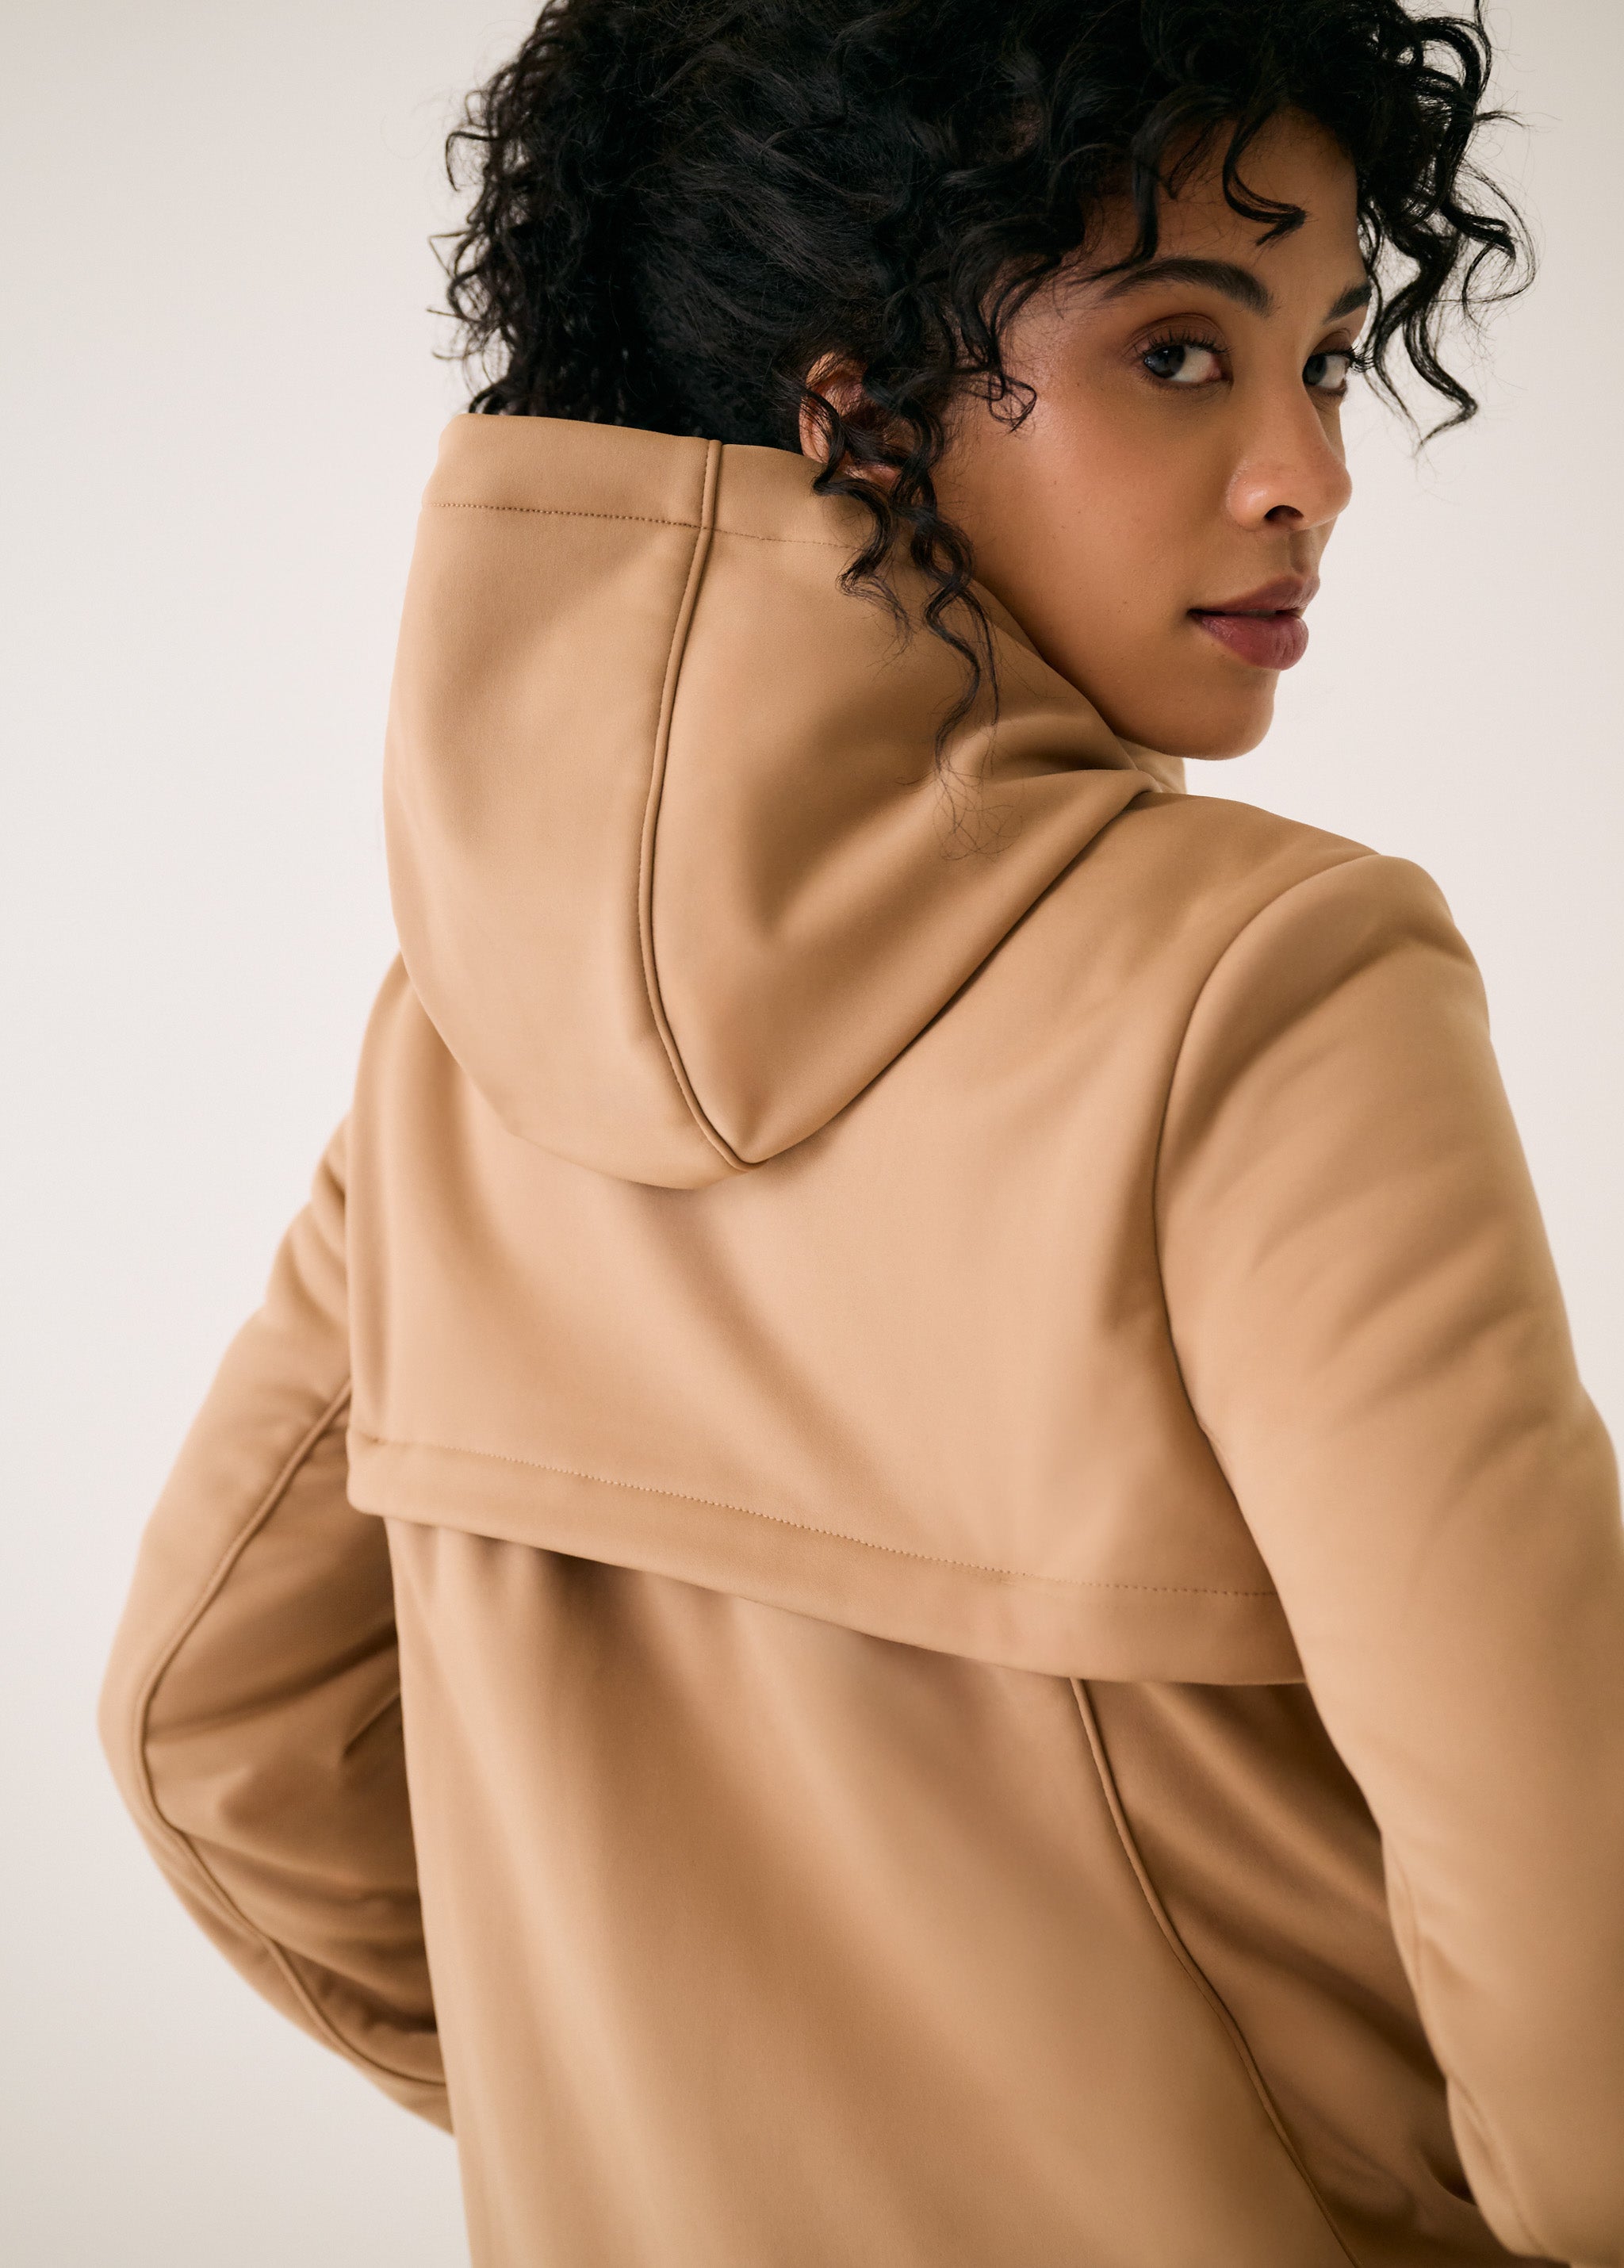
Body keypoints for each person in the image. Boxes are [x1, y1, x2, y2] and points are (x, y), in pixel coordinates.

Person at [99, 3, 1624, 2263]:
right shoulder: (1278, 994)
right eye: (1181, 354)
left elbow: (207, 1740)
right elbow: (1597, 2042)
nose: (1312, 467)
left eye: (1323, 357)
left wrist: (649, 2132)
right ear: (864, 414)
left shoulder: (459, 1038)